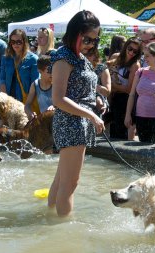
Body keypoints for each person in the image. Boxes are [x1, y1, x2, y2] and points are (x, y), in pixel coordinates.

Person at [48, 10, 105, 217]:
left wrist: (97, 99)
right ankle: (63, 232)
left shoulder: (78, 57)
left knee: (61, 180)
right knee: (70, 184)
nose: (91, 44)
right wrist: (92, 115)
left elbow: (83, 89)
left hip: (79, 121)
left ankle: (50, 219)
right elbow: (58, 99)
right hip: (71, 123)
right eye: (87, 38)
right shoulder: (64, 57)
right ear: (75, 33)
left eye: (95, 39)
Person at [107, 37, 141, 140]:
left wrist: (113, 86)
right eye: (130, 48)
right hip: (112, 98)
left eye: (135, 51)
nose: (131, 52)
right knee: (112, 131)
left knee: (121, 133)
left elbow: (129, 89)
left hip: (125, 100)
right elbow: (107, 72)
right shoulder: (116, 57)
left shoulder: (135, 65)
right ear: (125, 46)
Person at [0, 29, 39, 103]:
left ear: (24, 42)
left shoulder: (33, 59)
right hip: (8, 100)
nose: (15, 44)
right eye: (13, 42)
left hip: (26, 100)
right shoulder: (6, 58)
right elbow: (2, 79)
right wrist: (5, 100)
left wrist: (28, 104)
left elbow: (35, 83)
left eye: (19, 42)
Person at [25, 55, 54, 120]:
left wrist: (54, 106)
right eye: (49, 71)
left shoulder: (56, 83)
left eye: (54, 70)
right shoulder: (35, 85)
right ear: (40, 70)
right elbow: (27, 105)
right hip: (44, 121)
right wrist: (30, 113)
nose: (52, 73)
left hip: (57, 120)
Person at [85, 46, 111, 116]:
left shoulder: (101, 68)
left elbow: (107, 92)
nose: (86, 57)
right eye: (84, 54)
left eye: (90, 54)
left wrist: (92, 85)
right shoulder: (76, 67)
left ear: (95, 55)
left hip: (97, 105)